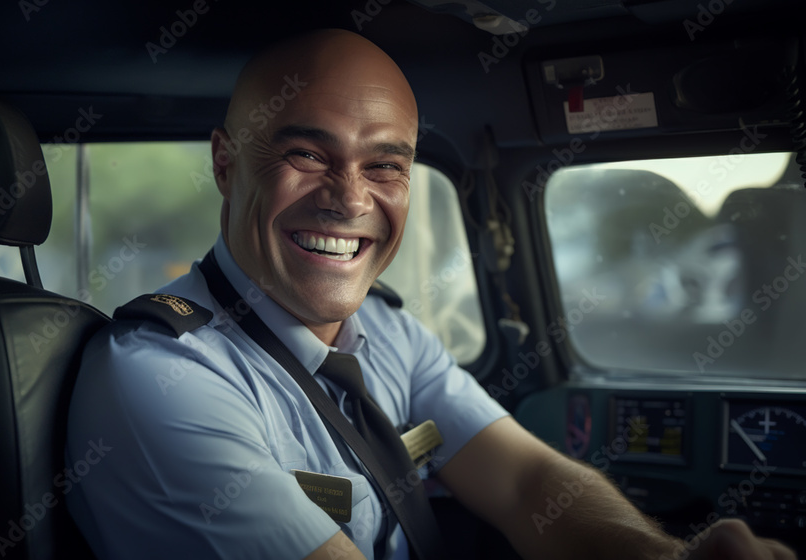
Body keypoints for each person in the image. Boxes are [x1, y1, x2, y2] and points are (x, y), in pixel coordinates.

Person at [65, 29, 796, 560]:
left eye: (385, 166)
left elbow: (529, 485)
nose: (350, 199)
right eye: (307, 154)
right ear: (227, 165)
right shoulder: (163, 377)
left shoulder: (384, 335)